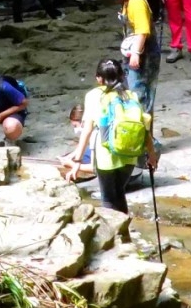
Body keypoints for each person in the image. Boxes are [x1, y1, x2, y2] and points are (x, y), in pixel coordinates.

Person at [66, 58, 155, 212]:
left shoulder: (94, 96)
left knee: (108, 200)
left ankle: (116, 235)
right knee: (119, 194)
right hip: (130, 154)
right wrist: (151, 154)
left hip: (106, 157)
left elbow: (87, 130)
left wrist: (77, 162)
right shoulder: (131, 95)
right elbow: (144, 128)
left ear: (99, 79)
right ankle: (125, 235)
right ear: (122, 76)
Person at [108, 0, 160, 108]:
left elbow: (143, 30)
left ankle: (142, 125)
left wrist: (135, 54)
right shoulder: (127, 2)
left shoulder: (136, 2)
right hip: (133, 53)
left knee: (140, 91)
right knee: (132, 90)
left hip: (145, 54)